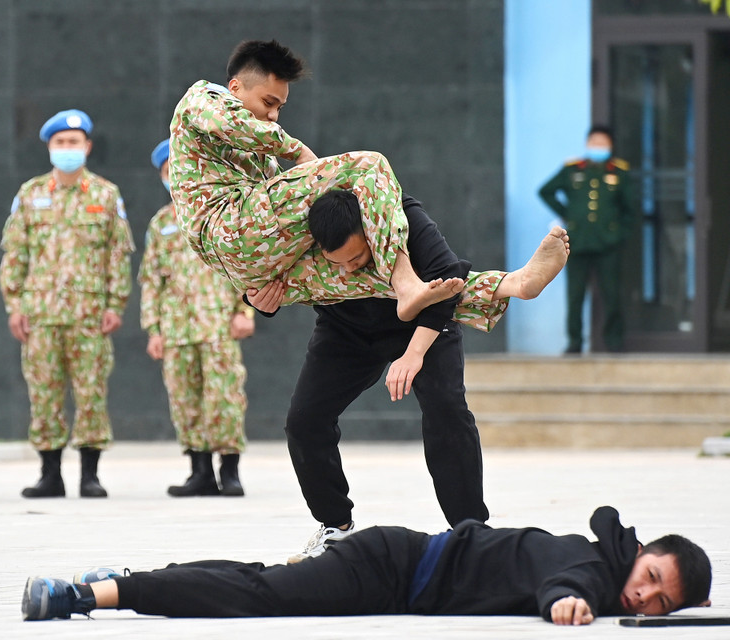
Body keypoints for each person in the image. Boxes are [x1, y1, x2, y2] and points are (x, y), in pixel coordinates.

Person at [246, 190, 568, 561]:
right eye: (339, 262)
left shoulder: (403, 216)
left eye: (355, 257)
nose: (348, 268)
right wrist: (257, 300)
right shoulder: (294, 231)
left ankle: (470, 533)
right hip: (345, 325)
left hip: (423, 317)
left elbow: (448, 280)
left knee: (446, 408)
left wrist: (413, 354)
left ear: (372, 233)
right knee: (304, 421)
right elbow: (259, 272)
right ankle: (336, 528)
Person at [168, 40, 466, 321]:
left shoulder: (264, 161)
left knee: (363, 271)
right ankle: (405, 283)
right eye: (268, 102)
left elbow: (289, 209)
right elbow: (232, 124)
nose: (273, 115)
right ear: (235, 87)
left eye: (280, 108)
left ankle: (497, 287)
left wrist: (252, 297)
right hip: (228, 229)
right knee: (368, 165)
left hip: (253, 265)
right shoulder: (203, 97)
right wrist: (298, 151)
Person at [20, 506, 712, 626]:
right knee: (260, 596)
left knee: (260, 580)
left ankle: (137, 576)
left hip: (397, 574)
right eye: (650, 576)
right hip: (393, 565)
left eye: (659, 602)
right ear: (644, 552)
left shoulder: (603, 569)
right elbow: (565, 585)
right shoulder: (588, 564)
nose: (642, 596)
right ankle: (87, 594)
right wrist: (567, 604)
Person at [0, 109, 134, 498]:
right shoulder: (30, 194)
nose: (67, 149)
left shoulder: (106, 195)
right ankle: (49, 474)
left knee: (91, 392)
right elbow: (15, 255)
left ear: (87, 147)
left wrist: (115, 305)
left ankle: (90, 474)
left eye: (74, 142)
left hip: (89, 315)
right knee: (43, 392)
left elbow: (117, 255)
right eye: (60, 143)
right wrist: (14, 306)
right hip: (40, 315)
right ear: (49, 148)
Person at [138, 139, 254, 497]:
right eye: (168, 170)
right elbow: (151, 279)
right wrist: (153, 329)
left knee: (225, 397)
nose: (176, 176)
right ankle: (199, 471)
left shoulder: (223, 213)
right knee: (185, 399)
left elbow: (247, 266)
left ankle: (230, 472)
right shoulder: (161, 224)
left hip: (218, 324)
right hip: (176, 328)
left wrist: (245, 311)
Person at [538, 125, 634, 354]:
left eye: (603, 143)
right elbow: (546, 191)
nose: (598, 147)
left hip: (607, 243)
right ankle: (574, 342)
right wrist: (567, 214)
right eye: (594, 142)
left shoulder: (618, 172)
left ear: (610, 146)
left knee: (611, 293)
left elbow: (630, 210)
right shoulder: (573, 169)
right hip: (577, 242)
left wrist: (618, 234)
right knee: (575, 295)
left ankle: (613, 341)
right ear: (587, 144)